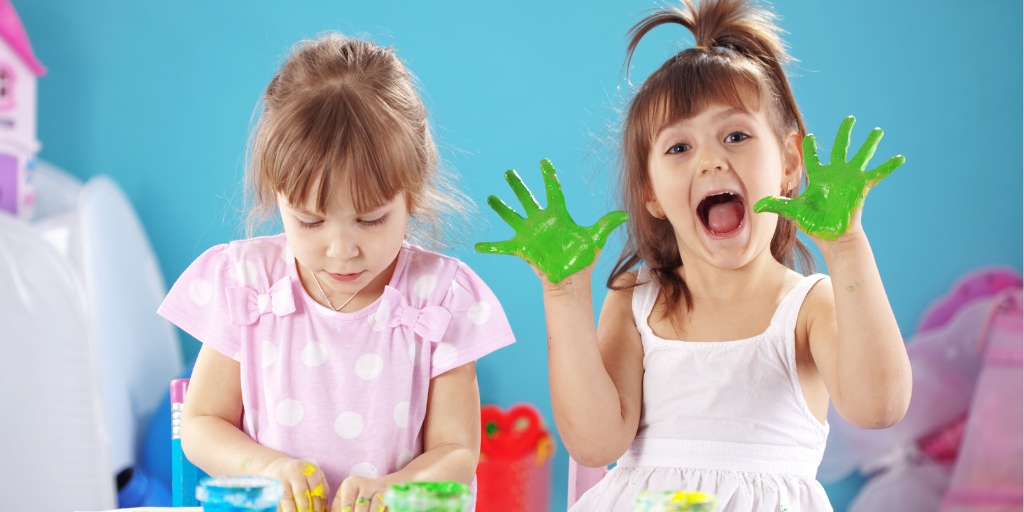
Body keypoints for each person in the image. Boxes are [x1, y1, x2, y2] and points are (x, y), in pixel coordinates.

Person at [522, 0, 911, 510]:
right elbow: (595, 444)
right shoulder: (638, 299)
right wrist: (564, 293)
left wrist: (848, 248)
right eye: (679, 148)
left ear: (790, 163)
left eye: (736, 135)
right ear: (651, 193)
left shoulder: (808, 306)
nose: (710, 160)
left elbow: (878, 406)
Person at [158, 33, 515, 512]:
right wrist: (266, 468)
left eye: (370, 219)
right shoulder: (248, 282)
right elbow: (202, 423)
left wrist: (396, 488)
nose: (342, 250)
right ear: (276, 197)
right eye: (309, 221)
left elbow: (456, 451)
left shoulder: (439, 296)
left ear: (412, 193)